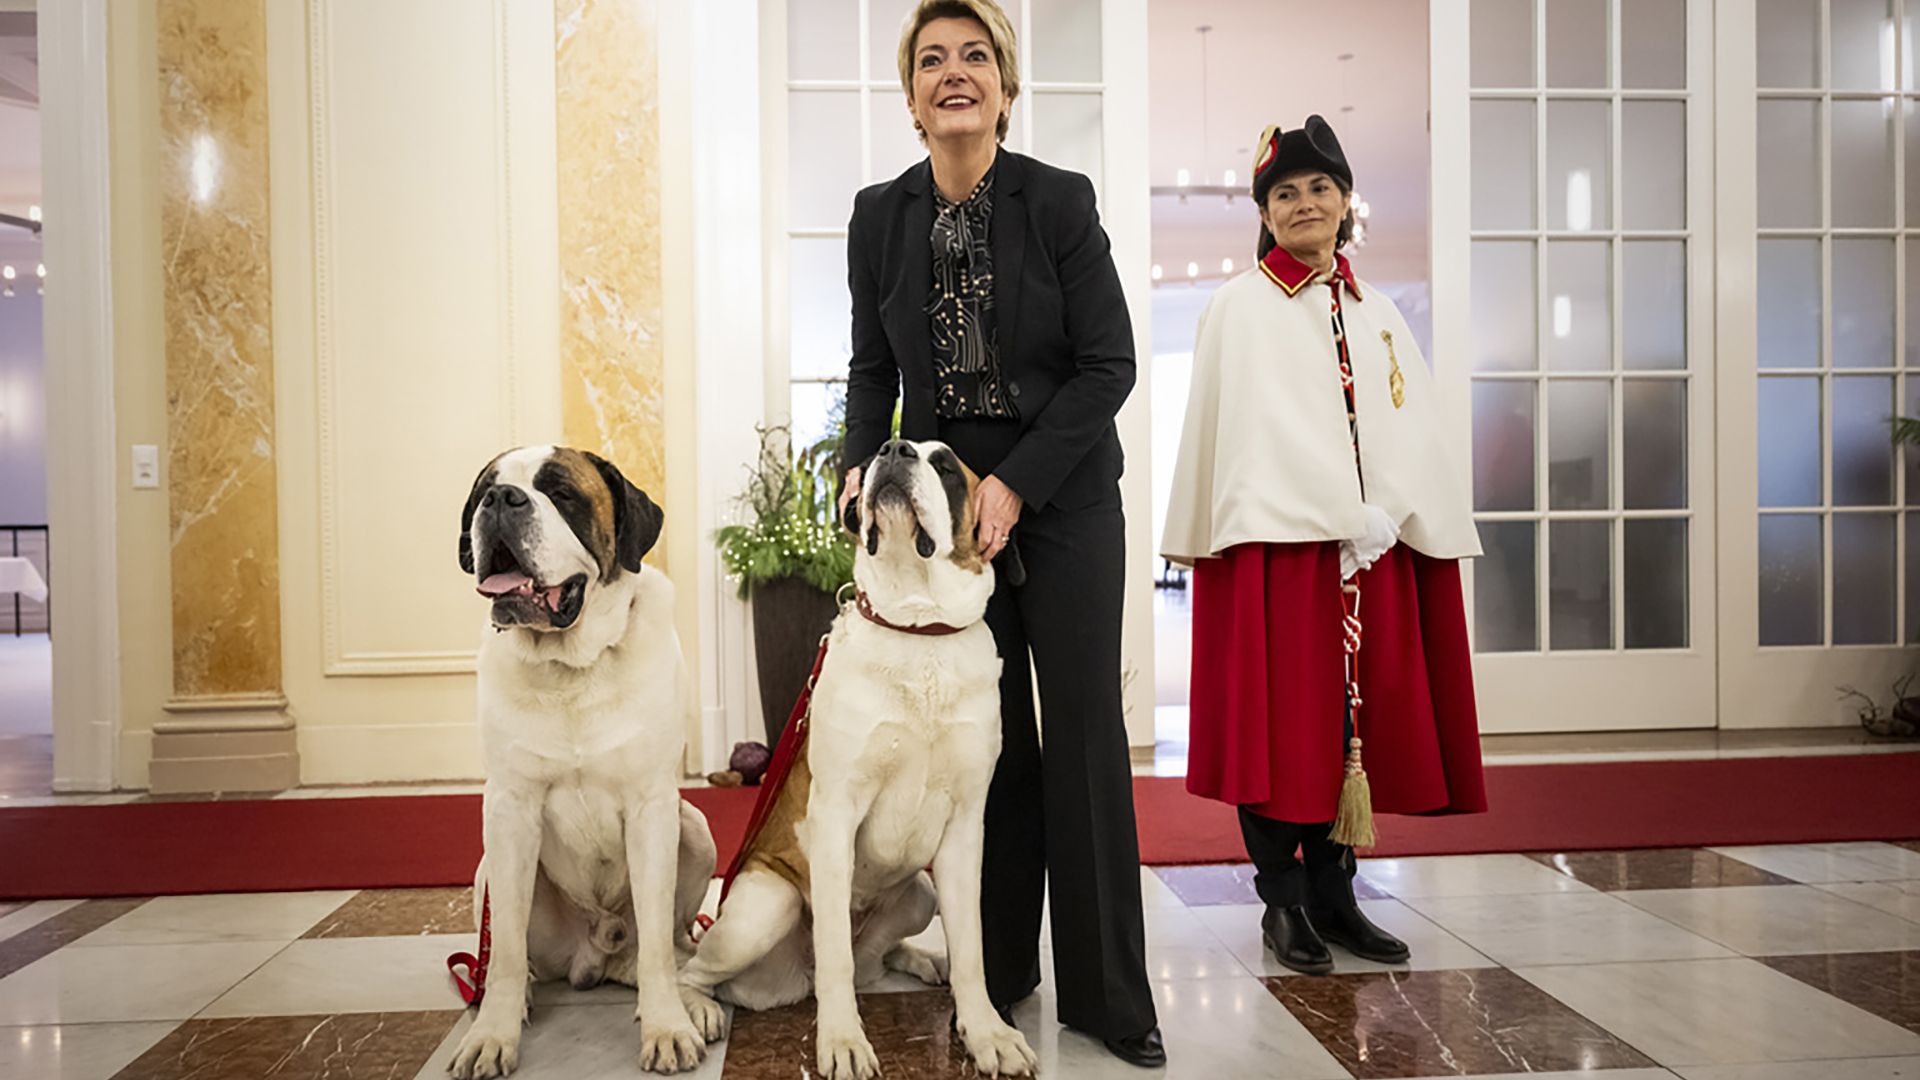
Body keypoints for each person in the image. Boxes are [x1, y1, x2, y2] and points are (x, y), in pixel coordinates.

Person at [834, 0, 1162, 1065]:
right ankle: (1001, 973)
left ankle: (1113, 1000)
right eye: (932, 60)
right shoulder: (878, 216)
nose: (954, 72)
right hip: (942, 511)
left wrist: (1016, 481)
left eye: (975, 55)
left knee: (1077, 734)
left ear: (1006, 90)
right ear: (913, 95)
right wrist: (856, 459)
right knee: (992, 748)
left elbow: (1109, 364)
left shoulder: (1058, 202)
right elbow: (872, 368)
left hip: (1059, 496)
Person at [1161, 116, 1488, 975]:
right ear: (1265, 214)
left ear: (1346, 203)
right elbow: (1228, 438)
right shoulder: (1238, 307)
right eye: (1285, 193)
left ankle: (1339, 894)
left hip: (1371, 555)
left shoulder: (1379, 312)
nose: (1305, 204)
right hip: (1278, 553)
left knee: (1356, 725)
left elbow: (1405, 429)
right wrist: (1312, 506)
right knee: (1284, 731)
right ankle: (1284, 903)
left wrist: (1394, 511)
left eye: (1320, 189)